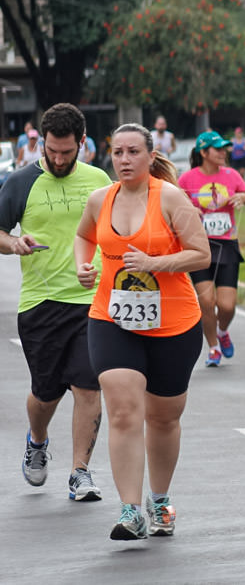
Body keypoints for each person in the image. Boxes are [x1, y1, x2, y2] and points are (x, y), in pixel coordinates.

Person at [74, 123, 210, 540]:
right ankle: (130, 510)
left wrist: (157, 263)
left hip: (173, 321)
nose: (124, 160)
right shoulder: (100, 199)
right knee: (123, 410)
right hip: (112, 318)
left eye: (133, 152)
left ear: (151, 156)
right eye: (117, 152)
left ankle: (161, 499)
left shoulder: (170, 198)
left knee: (163, 417)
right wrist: (84, 265)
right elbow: (83, 236)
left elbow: (201, 253)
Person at [0, 103, 111, 502]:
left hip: (90, 302)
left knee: (88, 386)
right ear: (41, 143)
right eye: (52, 151)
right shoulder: (19, 182)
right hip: (40, 302)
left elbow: (113, 232)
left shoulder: (99, 180)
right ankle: (37, 439)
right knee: (46, 393)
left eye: (67, 151)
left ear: (82, 143)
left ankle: (80, 472)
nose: (59, 159)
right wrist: (14, 242)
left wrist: (103, 269)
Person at [179, 131, 245, 367]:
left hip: (226, 245)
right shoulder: (187, 179)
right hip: (198, 246)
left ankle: (223, 331)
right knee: (206, 302)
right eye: (218, 149)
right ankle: (213, 347)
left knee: (227, 305)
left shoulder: (232, 175)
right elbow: (173, 204)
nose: (223, 152)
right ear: (203, 152)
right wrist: (188, 210)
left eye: (224, 148)